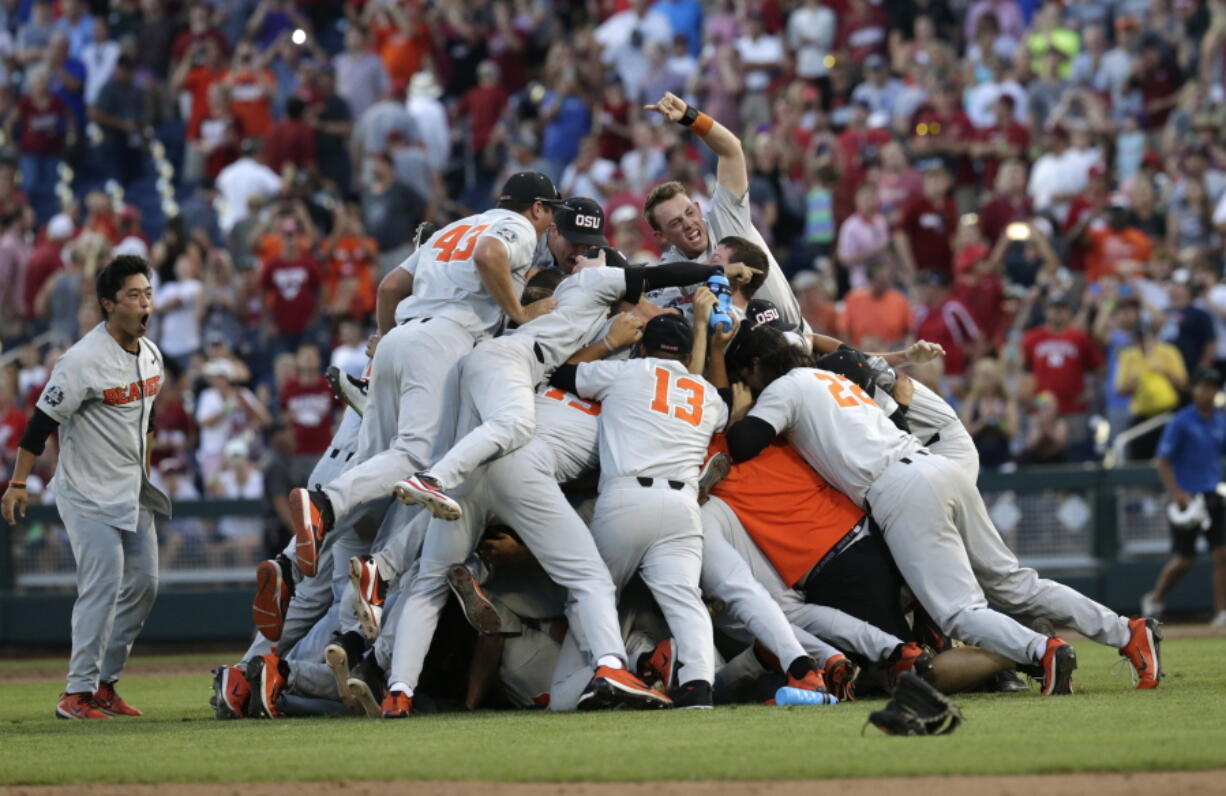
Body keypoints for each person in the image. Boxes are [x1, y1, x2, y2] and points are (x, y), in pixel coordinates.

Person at [723, 326, 1163, 693]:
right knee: (1015, 585)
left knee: (958, 612)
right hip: (936, 466)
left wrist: (742, 408)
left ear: (754, 368)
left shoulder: (783, 387)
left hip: (898, 487)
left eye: (745, 374)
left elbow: (743, 445)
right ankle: (1127, 631)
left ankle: (1041, 651)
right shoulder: (830, 379)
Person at [287, 171, 562, 578]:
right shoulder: (518, 226)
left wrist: (384, 337)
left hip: (400, 336)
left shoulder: (456, 226)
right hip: (443, 339)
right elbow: (489, 254)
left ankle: (288, 562)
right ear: (536, 208)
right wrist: (519, 313)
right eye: (548, 213)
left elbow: (390, 286)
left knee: (374, 462)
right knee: (417, 457)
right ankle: (325, 504)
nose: (547, 223)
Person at [2, 255, 170, 720]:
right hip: (86, 491)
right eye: (133, 295)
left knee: (146, 584)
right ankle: (75, 694)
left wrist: (146, 469)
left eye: (148, 293)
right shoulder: (81, 360)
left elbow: (149, 417)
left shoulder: (151, 354)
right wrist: (18, 482)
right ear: (108, 304)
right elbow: (39, 424)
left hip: (130, 489)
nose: (144, 303)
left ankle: (103, 684)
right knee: (103, 582)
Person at [641, 91, 803, 331]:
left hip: (795, 334)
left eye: (689, 212)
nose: (688, 224)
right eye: (675, 222)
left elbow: (732, 151)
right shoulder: (668, 272)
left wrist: (689, 116)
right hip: (742, 361)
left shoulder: (725, 216)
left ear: (697, 207)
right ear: (661, 236)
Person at [1142, 369, 1226, 626]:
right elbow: (1163, 461)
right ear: (1195, 389)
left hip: (1212, 493)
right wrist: (1176, 493)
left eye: (1213, 387)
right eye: (1204, 386)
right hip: (1186, 498)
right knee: (1185, 559)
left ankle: (1221, 612)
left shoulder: (1220, 421)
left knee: (1222, 554)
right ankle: (1155, 597)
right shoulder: (1181, 421)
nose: (1208, 392)